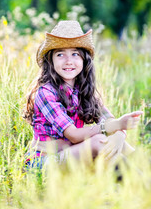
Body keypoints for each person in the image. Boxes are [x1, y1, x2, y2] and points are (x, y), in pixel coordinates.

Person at [24, 20, 143, 169]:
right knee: (98, 141)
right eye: (60, 54)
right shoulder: (45, 93)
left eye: (75, 54)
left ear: (84, 60)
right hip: (42, 163)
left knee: (117, 142)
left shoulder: (82, 90)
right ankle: (140, 184)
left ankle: (144, 173)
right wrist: (113, 127)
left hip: (70, 154)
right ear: (51, 60)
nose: (69, 61)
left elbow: (109, 119)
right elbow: (73, 135)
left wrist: (119, 135)